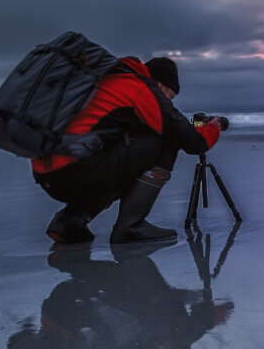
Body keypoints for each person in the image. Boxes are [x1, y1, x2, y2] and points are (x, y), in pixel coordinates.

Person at [31, 56, 222, 244]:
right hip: (74, 170)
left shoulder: (108, 79)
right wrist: (215, 125)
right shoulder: (140, 89)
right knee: (165, 141)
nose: (168, 103)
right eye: (169, 97)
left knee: (127, 158)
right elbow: (194, 142)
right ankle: (131, 226)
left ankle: (68, 221)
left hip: (48, 172)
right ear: (161, 85)